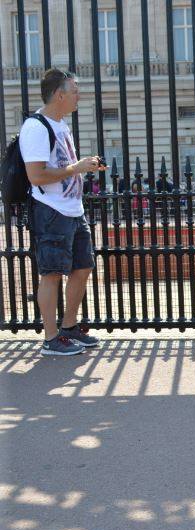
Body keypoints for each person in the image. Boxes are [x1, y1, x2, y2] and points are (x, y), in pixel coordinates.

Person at [20, 68, 105, 355]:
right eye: (74, 91)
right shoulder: (36, 127)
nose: (78, 96)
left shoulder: (61, 125)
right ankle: (51, 339)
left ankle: (69, 328)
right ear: (59, 95)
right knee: (52, 273)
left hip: (72, 209)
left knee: (82, 268)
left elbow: (64, 166)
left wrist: (85, 165)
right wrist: (76, 168)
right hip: (51, 210)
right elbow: (37, 176)